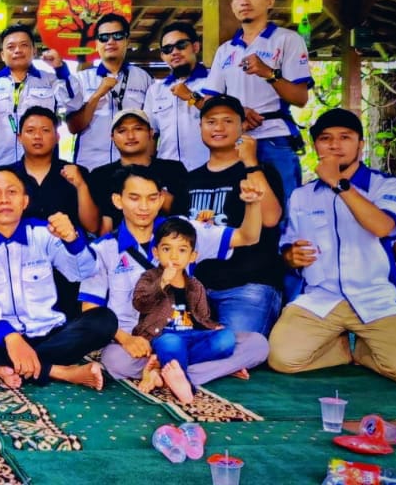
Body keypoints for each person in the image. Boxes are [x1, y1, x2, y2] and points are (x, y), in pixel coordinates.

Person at [268, 109, 396, 384]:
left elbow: (382, 227)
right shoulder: (302, 195)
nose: (334, 145)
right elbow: (288, 244)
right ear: (315, 146)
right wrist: (290, 256)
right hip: (321, 298)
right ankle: (341, 349)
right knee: (281, 359)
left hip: (376, 298)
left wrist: (339, 184)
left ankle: (366, 351)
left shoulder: (387, 186)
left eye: (345, 137)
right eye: (325, 138)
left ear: (360, 144)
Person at [81, 165, 269, 391]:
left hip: (188, 333)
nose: (144, 207)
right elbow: (90, 310)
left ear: (161, 199)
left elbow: (247, 237)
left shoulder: (184, 230)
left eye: (152, 198)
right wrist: (125, 339)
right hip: (140, 343)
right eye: (134, 198)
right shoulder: (102, 250)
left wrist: (252, 204)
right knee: (114, 360)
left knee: (258, 345)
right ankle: (201, 369)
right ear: (118, 200)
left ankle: (161, 372)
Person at [0, 167, 116, 390]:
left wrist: (73, 241)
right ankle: (58, 371)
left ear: (25, 201)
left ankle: (7, 366)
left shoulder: (44, 232)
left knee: (104, 320)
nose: (4, 199)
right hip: (2, 335)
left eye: (12, 192)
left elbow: (82, 272)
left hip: (48, 333)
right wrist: (10, 336)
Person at [203, 0, 313, 215]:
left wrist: (269, 73)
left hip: (275, 138)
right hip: (235, 141)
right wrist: (236, 112)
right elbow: (210, 101)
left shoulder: (287, 40)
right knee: (236, 214)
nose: (245, 1)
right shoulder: (225, 50)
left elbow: (300, 98)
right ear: (232, 5)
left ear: (269, 1)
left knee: (284, 213)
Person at [186, 95, 285, 336]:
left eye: (228, 121)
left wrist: (250, 162)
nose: (219, 127)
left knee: (233, 345)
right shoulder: (189, 179)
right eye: (211, 121)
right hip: (197, 289)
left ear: (243, 126)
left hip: (248, 287)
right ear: (200, 127)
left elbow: (271, 218)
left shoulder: (263, 172)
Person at [130, 218, 239, 404]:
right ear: (156, 252)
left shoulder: (196, 286)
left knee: (227, 339)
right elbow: (140, 303)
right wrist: (162, 283)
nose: (174, 256)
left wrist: (213, 328)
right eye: (167, 249)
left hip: (191, 336)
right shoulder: (149, 277)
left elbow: (203, 317)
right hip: (163, 336)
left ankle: (161, 367)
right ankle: (184, 385)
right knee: (171, 343)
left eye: (182, 250)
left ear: (192, 256)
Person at [0, 24, 79, 169]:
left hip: (43, 167)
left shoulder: (51, 80)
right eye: (11, 47)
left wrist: (60, 69)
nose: (17, 50)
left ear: (34, 51)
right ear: (3, 55)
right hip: (1, 165)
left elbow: (74, 103)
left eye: (24, 45)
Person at [68, 13, 152, 171]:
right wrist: (97, 95)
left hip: (135, 167)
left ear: (127, 41)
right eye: (104, 37)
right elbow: (73, 127)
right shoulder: (81, 80)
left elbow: (152, 127)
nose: (111, 42)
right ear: (96, 44)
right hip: (91, 165)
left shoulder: (144, 78)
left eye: (118, 36)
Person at [82, 109, 189, 234]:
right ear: (112, 137)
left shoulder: (173, 169)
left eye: (138, 129)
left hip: (168, 242)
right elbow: (99, 226)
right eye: (122, 131)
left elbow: (184, 211)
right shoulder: (100, 176)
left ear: (150, 133)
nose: (130, 136)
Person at [14, 107, 101, 236]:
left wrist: (81, 185)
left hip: (68, 245)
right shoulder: (7, 176)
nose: (37, 136)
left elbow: (92, 227)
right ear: (19, 138)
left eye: (45, 130)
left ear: (57, 137)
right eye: (30, 131)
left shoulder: (78, 173)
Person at [144, 21, 212, 171]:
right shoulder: (155, 90)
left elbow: (223, 116)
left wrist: (191, 97)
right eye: (167, 49)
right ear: (162, 56)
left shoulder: (214, 80)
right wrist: (147, 171)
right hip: (167, 171)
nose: (174, 52)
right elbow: (151, 135)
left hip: (206, 168)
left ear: (195, 47)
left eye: (181, 45)